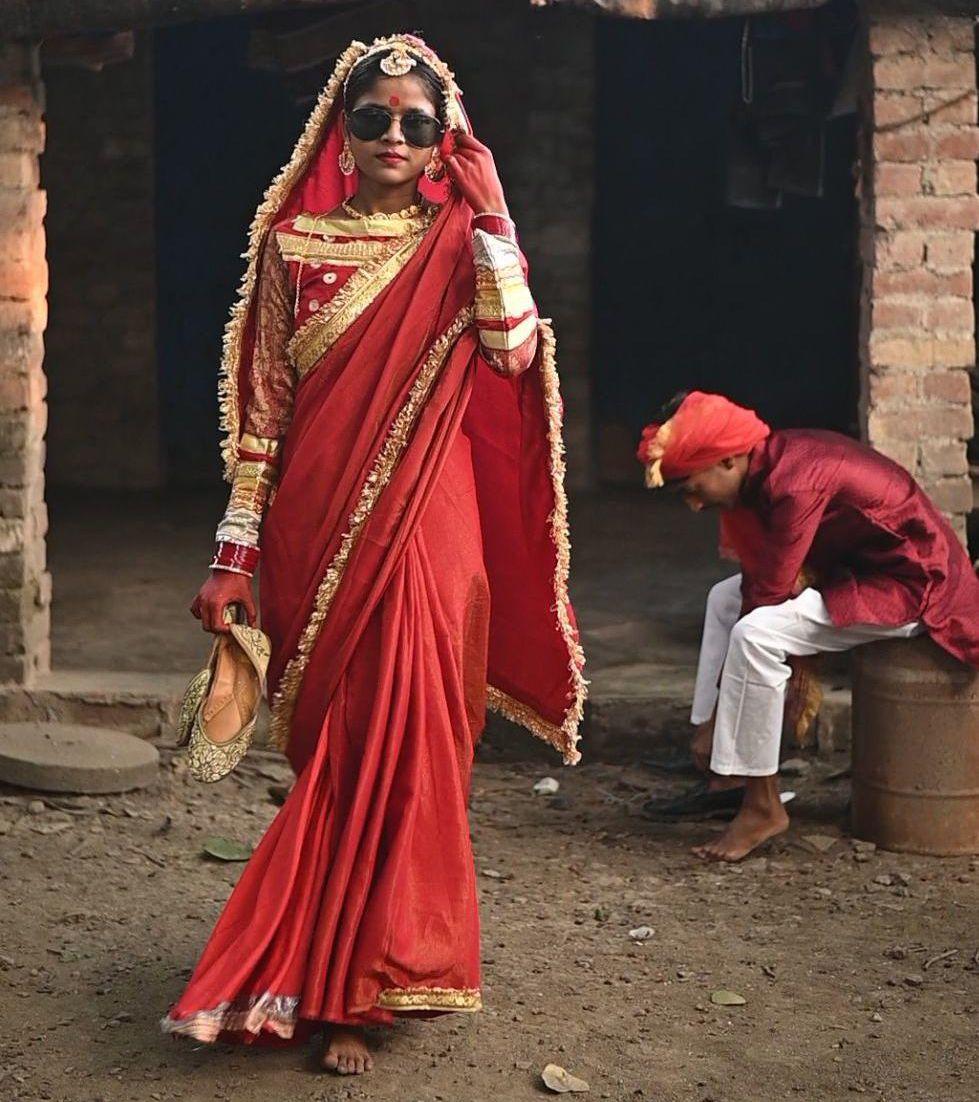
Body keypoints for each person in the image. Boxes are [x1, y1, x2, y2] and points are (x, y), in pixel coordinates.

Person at [162, 35, 585, 1074]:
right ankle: (320, 972)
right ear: (339, 132)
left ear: (445, 140)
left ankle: (365, 986)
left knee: (416, 732)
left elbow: (512, 349)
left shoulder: (461, 241)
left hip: (433, 524)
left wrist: (493, 213)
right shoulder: (292, 245)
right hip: (314, 522)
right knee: (341, 746)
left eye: (417, 123)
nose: (394, 135)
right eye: (373, 118)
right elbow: (263, 413)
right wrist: (233, 556)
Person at [637, 390, 979, 862]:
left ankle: (762, 806)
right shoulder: (772, 463)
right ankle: (723, 774)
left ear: (729, 461)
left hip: (912, 587)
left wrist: (720, 717)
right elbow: (762, 580)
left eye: (691, 487)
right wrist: (712, 719)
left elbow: (769, 593)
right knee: (723, 600)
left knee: (756, 634)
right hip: (858, 570)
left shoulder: (794, 482)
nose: (694, 504)